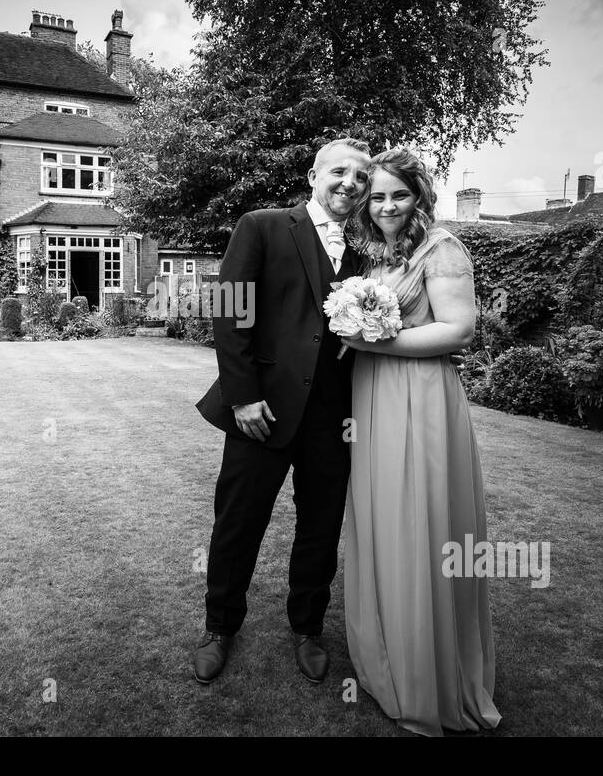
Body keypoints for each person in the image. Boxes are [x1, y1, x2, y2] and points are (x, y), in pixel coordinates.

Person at [193, 137, 370, 684]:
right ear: (314, 174)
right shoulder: (263, 224)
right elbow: (229, 309)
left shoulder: (370, 246)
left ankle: (308, 628)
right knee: (239, 523)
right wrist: (243, 395)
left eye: (361, 178)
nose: (350, 184)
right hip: (260, 410)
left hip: (334, 416)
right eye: (339, 172)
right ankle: (220, 627)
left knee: (321, 526)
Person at [338, 147, 500, 736]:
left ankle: (430, 676)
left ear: (420, 197)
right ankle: (388, 654)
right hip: (372, 396)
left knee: (421, 519)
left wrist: (373, 341)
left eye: (398, 195)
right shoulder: (374, 255)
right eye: (377, 196)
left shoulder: (443, 248)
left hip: (421, 396)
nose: (386, 205)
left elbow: (459, 329)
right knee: (383, 519)